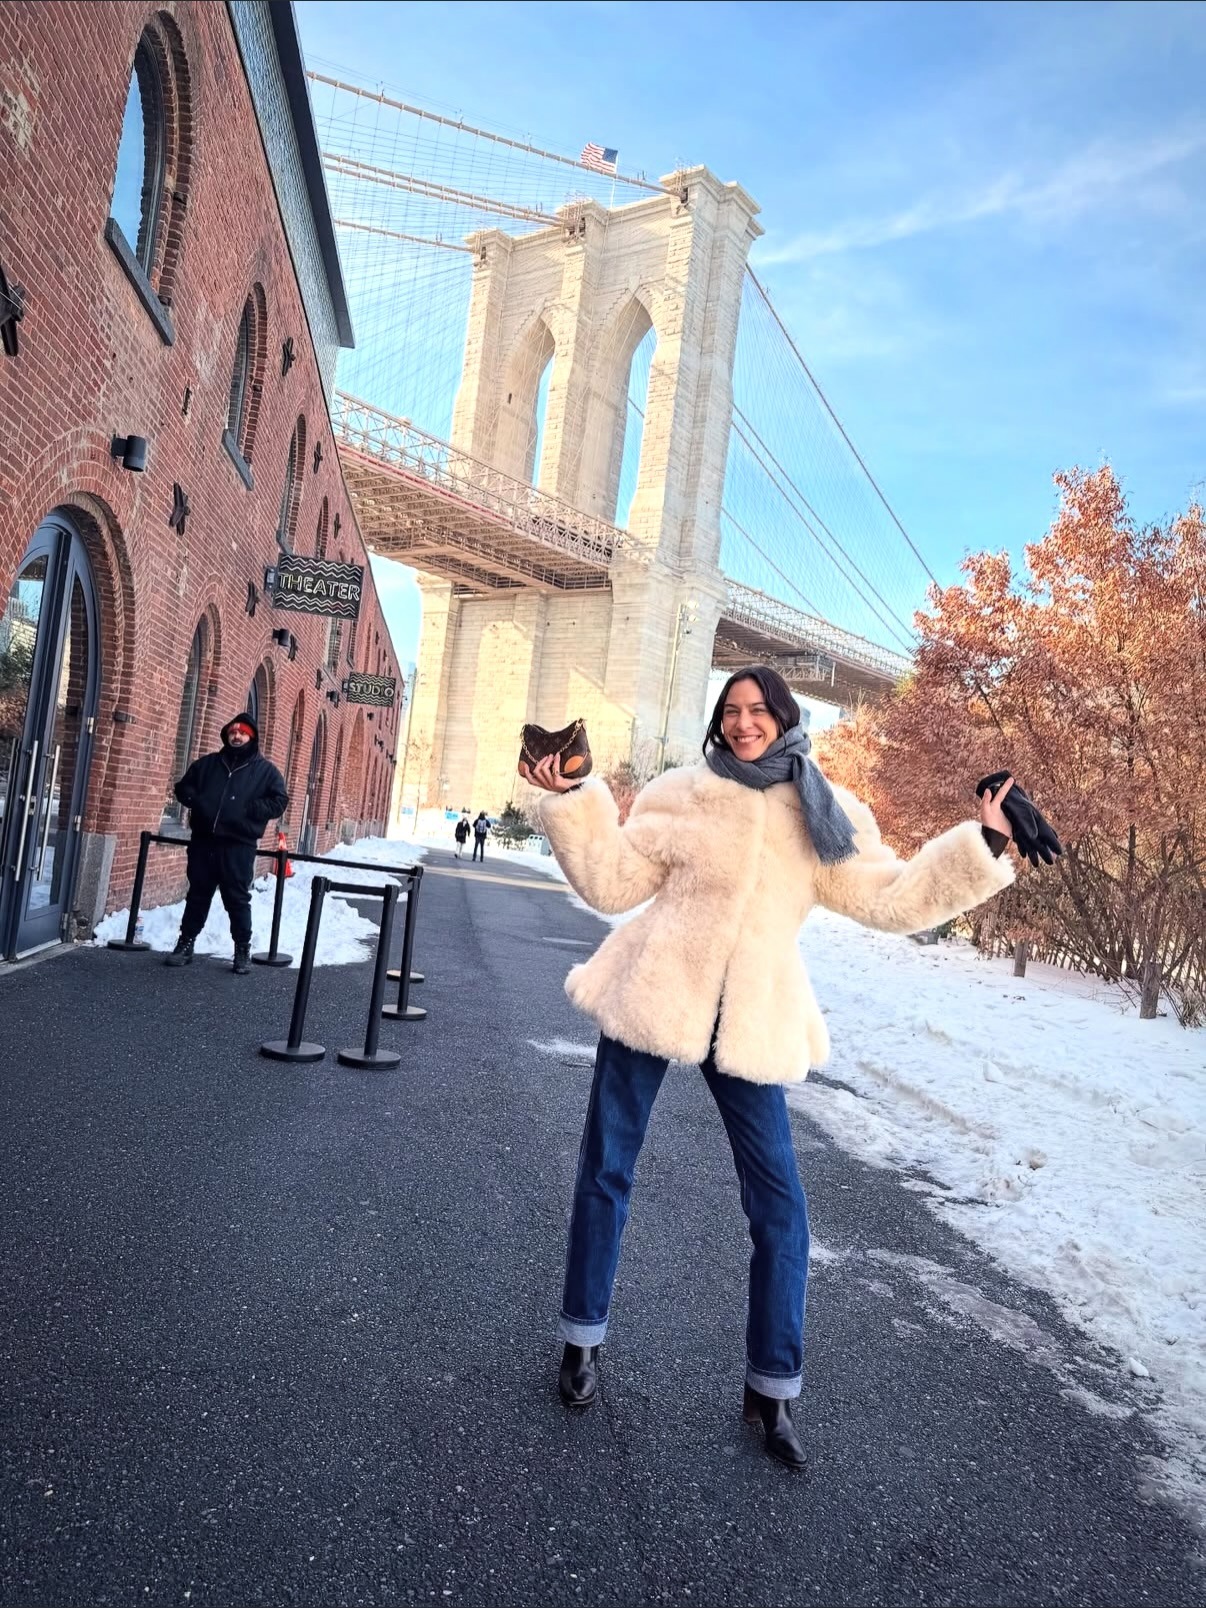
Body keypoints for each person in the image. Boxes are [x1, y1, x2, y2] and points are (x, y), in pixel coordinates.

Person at [522, 665, 1017, 1471]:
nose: (745, 722)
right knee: (606, 1171)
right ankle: (581, 1343)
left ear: (784, 717)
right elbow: (614, 884)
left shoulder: (824, 809)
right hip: (654, 990)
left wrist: (983, 844)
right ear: (719, 721)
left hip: (751, 1016)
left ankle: (773, 1387)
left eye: (759, 710)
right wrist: (575, 800)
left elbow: (889, 898)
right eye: (733, 710)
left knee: (781, 1206)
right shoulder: (684, 792)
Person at [166, 712, 288, 974]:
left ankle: (242, 950)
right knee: (197, 896)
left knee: (237, 900)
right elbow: (182, 787)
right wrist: (196, 801)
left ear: (251, 737)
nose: (237, 736)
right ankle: (185, 944)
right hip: (203, 843)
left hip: (238, 846)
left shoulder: (265, 771)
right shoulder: (209, 764)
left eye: (242, 732)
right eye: (233, 731)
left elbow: (279, 801)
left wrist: (252, 809)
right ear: (227, 734)